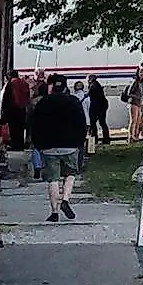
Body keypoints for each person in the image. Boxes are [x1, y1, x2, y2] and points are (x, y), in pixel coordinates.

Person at [29, 75, 87, 221]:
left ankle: (54, 213)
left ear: (51, 87)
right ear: (65, 87)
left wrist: (38, 144)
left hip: (48, 146)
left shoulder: (43, 103)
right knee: (70, 174)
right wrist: (80, 141)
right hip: (70, 145)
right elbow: (81, 123)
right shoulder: (73, 102)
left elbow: (35, 126)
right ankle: (65, 200)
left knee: (52, 179)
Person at [83, 76, 110, 148]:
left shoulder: (92, 86)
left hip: (96, 106)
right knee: (102, 123)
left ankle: (94, 139)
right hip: (102, 105)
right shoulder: (97, 85)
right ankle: (106, 139)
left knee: (93, 123)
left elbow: (89, 94)